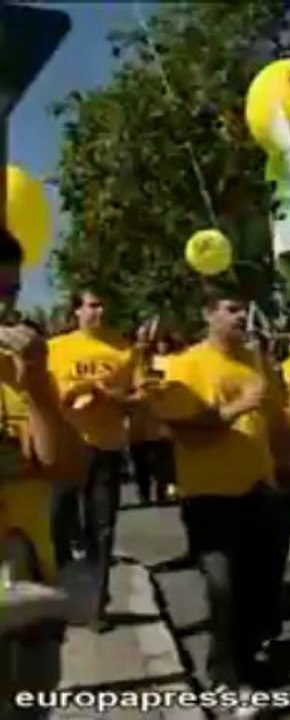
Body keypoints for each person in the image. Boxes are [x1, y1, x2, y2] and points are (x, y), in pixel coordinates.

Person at [150, 280, 290, 698]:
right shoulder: (187, 365)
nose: (239, 318)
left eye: (243, 310)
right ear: (208, 314)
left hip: (259, 488)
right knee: (223, 586)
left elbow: (276, 419)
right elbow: (184, 431)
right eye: (231, 309)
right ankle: (225, 677)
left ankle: (244, 665)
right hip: (209, 494)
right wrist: (235, 408)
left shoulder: (257, 361)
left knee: (257, 588)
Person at [0, 230, 76, 711]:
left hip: (27, 587)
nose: (4, 307)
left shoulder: (23, 368)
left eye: (9, 292)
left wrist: (40, 388)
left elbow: (64, 465)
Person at [47, 289, 138, 630]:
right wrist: (70, 395)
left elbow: (135, 397)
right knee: (59, 524)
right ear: (77, 311)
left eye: (102, 305)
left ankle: (95, 605)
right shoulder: (56, 349)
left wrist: (106, 394)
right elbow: (41, 395)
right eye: (92, 305)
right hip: (66, 448)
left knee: (101, 529)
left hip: (107, 448)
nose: (98, 311)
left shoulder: (123, 349)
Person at [128, 322, 174, 505]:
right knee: (140, 460)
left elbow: (167, 382)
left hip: (158, 419)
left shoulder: (161, 360)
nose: (144, 343)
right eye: (140, 338)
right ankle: (144, 492)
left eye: (147, 339)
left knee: (161, 459)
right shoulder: (129, 360)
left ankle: (163, 491)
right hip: (136, 420)